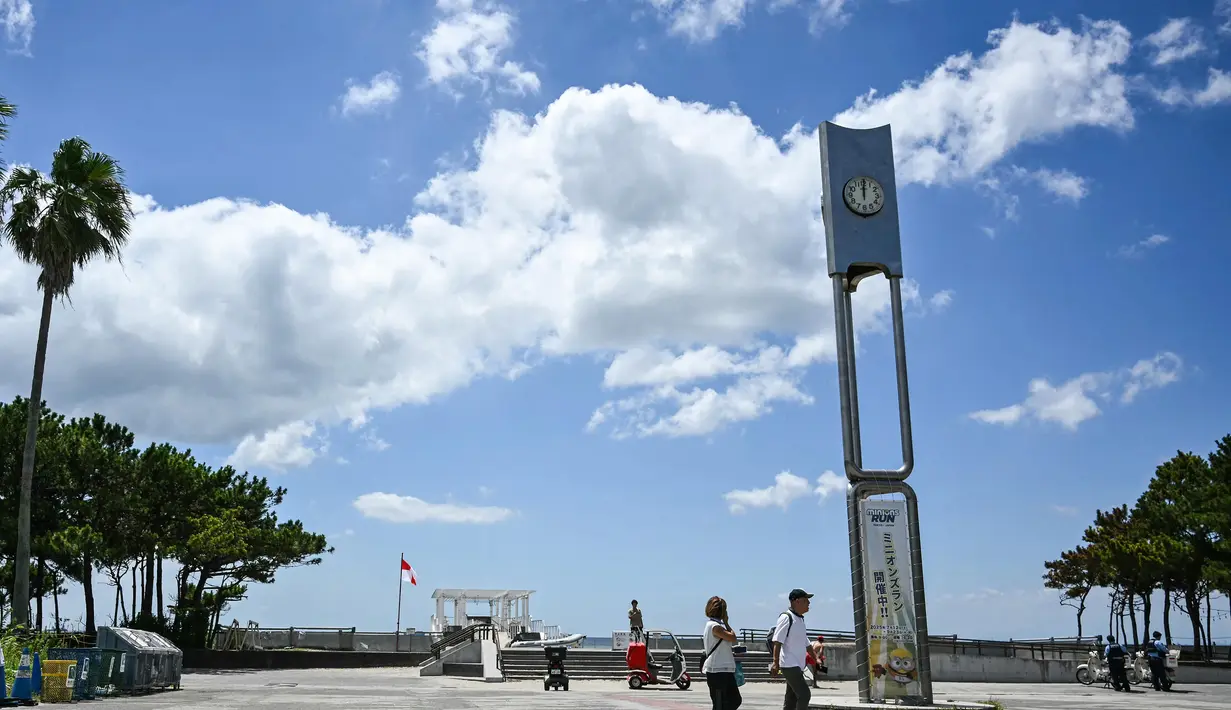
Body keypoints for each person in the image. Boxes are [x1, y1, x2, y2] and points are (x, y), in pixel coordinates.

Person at [770, 588, 813, 709]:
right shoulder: (786, 617)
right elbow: (777, 641)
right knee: (804, 695)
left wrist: (816, 658)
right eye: (806, 600)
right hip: (789, 664)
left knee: (791, 698)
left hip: (798, 665)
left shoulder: (800, 619)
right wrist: (775, 663)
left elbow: (806, 643)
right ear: (797, 601)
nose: (809, 604)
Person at [702, 596, 741, 709]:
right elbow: (733, 637)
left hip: (724, 669)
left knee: (733, 700)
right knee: (721, 704)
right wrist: (727, 623)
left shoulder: (714, 625)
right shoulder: (715, 626)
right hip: (717, 670)